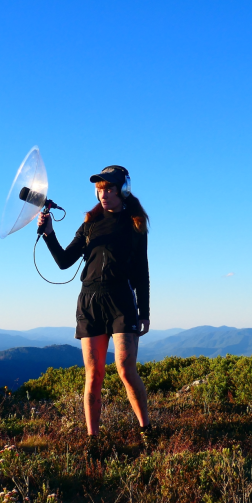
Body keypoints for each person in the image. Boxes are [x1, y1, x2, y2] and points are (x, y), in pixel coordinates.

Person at [37, 165, 151, 439]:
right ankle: (93, 439)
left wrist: (144, 311)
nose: (104, 194)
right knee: (94, 374)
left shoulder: (135, 225)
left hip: (122, 300)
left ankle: (147, 430)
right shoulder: (90, 223)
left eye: (110, 189)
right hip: (89, 302)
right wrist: (49, 234)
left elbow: (141, 272)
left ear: (123, 190)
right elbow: (65, 262)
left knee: (125, 368)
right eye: (100, 189)